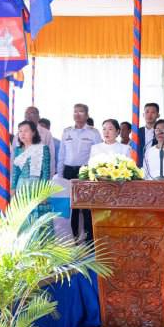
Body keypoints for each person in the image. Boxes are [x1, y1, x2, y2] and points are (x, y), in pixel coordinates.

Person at [61, 103, 103, 240]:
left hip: (85, 171)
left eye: (81, 112)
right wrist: (60, 173)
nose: (77, 114)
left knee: (86, 206)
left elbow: (99, 154)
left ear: (87, 115)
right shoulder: (67, 132)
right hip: (69, 171)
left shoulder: (93, 133)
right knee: (72, 206)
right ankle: (74, 237)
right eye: (75, 112)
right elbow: (62, 153)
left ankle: (89, 238)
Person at [11, 120, 53, 220]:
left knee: (37, 218)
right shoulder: (17, 150)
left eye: (26, 131)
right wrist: (13, 189)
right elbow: (16, 172)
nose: (22, 134)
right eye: (20, 131)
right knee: (22, 217)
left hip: (37, 186)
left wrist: (44, 192)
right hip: (21, 186)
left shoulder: (43, 148)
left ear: (33, 132)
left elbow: (46, 172)